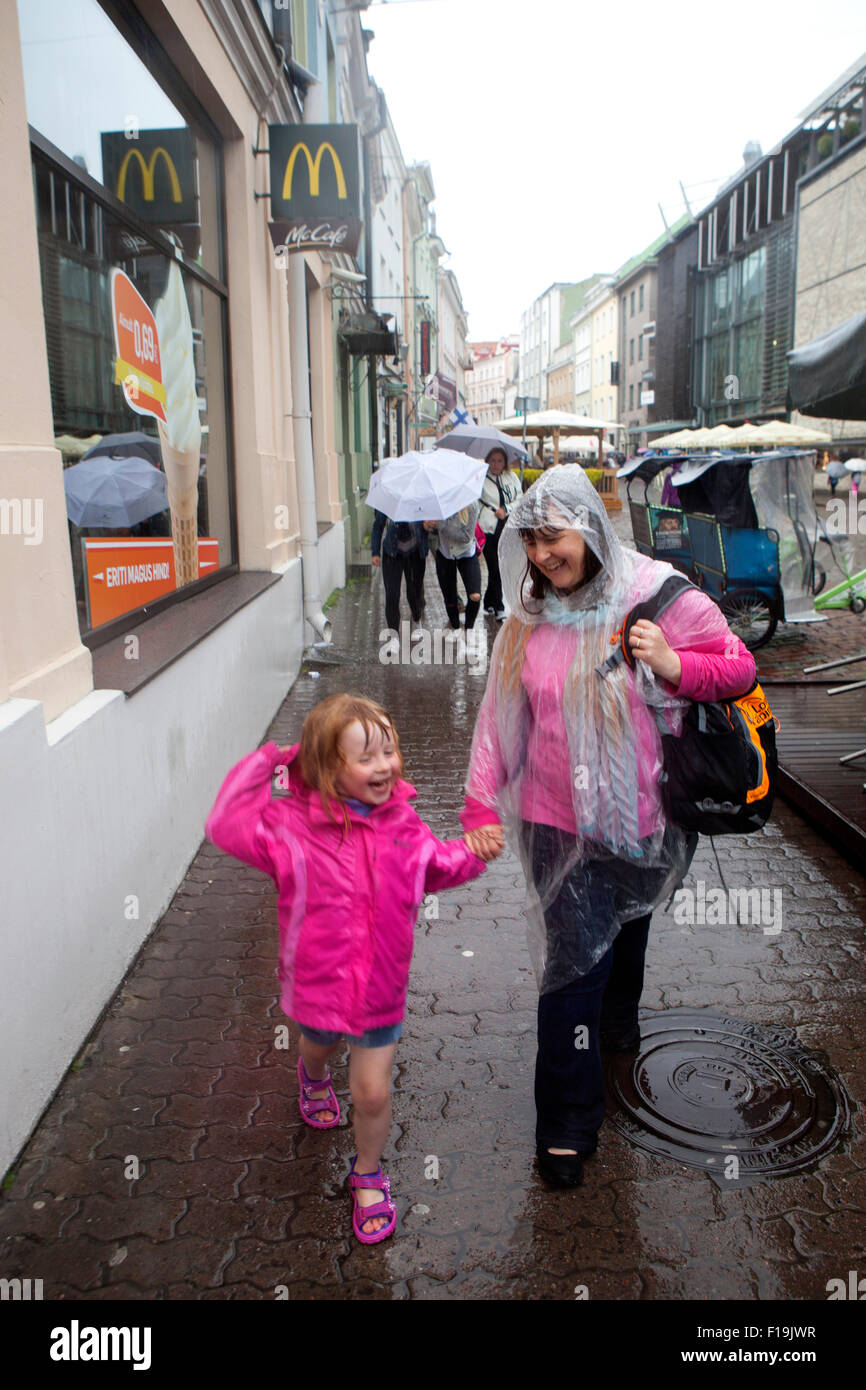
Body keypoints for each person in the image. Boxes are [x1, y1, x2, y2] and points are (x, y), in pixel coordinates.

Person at [460, 466, 756, 1188]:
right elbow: (501, 720)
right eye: (528, 540)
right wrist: (476, 802)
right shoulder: (529, 616)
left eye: (552, 537)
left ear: (590, 527)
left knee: (627, 924)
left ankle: (620, 1024)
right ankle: (566, 1126)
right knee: (571, 967)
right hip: (554, 825)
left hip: (639, 817)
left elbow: (740, 669)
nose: (540, 555)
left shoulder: (656, 595)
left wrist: (674, 664)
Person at [206, 694, 496, 1242]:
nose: (385, 765)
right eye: (366, 756)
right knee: (317, 1046)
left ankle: (366, 1173)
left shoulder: (403, 822)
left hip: (380, 988)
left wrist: (475, 851)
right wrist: (274, 758)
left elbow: (435, 865)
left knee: (371, 1093)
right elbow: (225, 823)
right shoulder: (287, 826)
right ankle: (312, 1076)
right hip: (317, 987)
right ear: (324, 766)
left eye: (389, 750)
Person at [478, 446, 522, 620]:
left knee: (500, 567)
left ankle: (488, 601)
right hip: (488, 528)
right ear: (487, 460)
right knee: (495, 567)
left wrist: (507, 509)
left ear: (505, 462)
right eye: (493, 460)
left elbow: (520, 498)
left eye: (500, 461)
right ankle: (499, 606)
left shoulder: (511, 477)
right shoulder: (481, 478)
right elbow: (476, 502)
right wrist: (491, 512)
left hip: (507, 527)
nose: (496, 464)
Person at [425, 500, 482, 630]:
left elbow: (466, 536)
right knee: (450, 599)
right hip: (445, 554)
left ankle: (469, 628)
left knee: (475, 596)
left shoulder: (471, 504)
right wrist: (430, 525)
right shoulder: (438, 503)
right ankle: (455, 627)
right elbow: (434, 532)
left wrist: (440, 525)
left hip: (466, 553)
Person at [370, 511, 428, 635]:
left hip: (415, 552)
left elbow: (432, 528)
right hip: (392, 552)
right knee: (392, 595)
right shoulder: (390, 497)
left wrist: (430, 527)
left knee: (415, 591)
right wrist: (375, 551)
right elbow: (378, 524)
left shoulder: (421, 497)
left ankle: (417, 619)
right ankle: (393, 633)